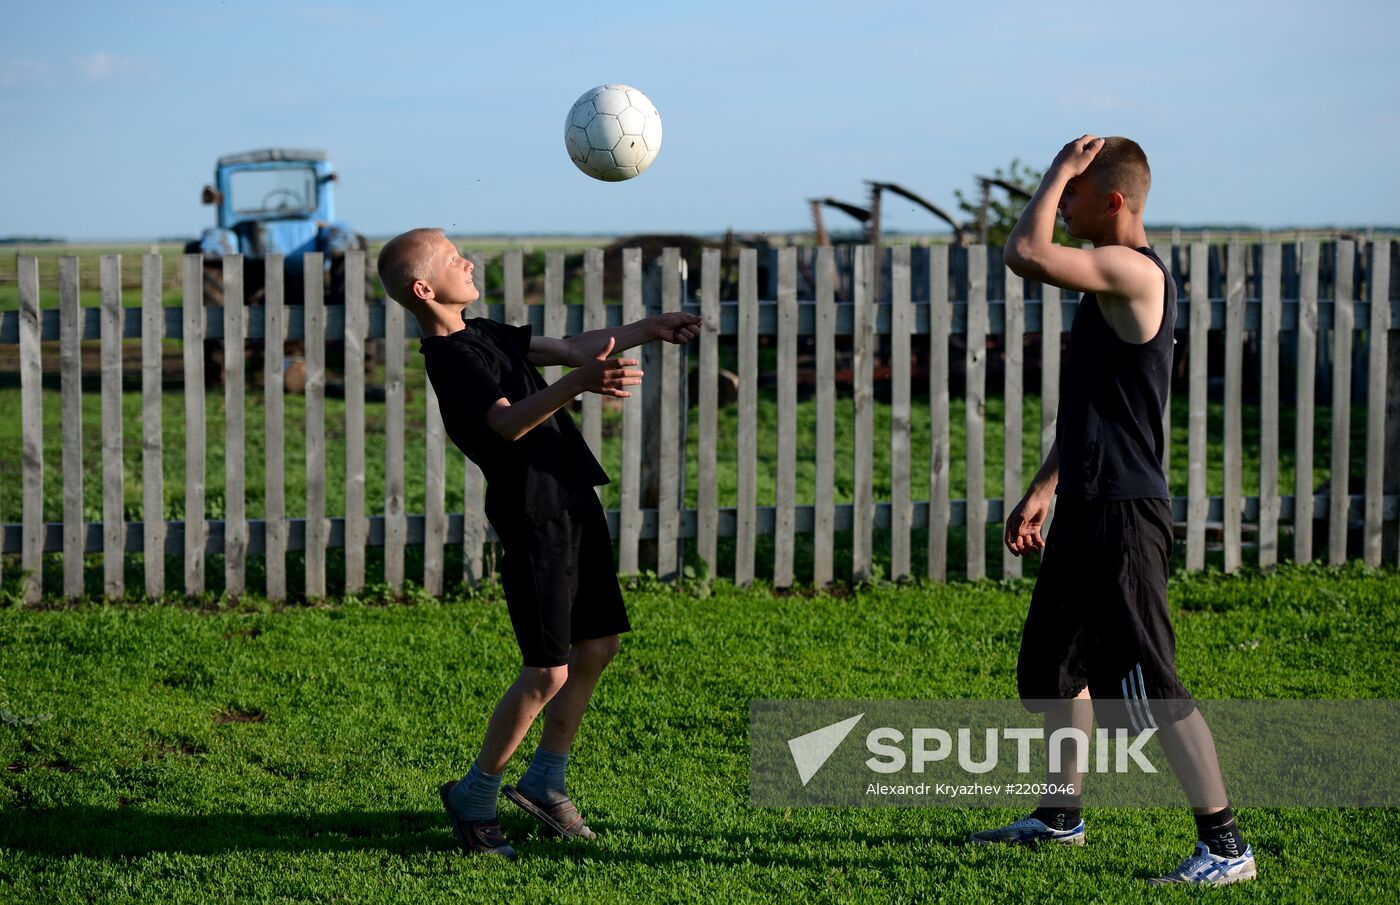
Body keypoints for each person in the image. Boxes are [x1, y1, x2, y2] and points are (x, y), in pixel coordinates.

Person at [968, 136, 1256, 887]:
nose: (1065, 204)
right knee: (1054, 670)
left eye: (1076, 193)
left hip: (1126, 514)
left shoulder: (1131, 272)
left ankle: (1226, 847)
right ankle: (1061, 815)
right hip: (1088, 500)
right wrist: (1045, 484)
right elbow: (1098, 405)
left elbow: (1025, 253)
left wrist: (1059, 165)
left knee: (1154, 687)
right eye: (1064, 192)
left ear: (1114, 200)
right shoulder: (1108, 282)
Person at [376, 228, 700, 859]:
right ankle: (475, 794)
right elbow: (505, 422)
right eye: (451, 259)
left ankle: (545, 780)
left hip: (572, 496)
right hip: (533, 518)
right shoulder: (453, 360)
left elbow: (577, 346)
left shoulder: (488, 333)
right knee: (547, 670)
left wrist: (648, 327)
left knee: (598, 644)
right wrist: (580, 383)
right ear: (424, 288)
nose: (466, 261)